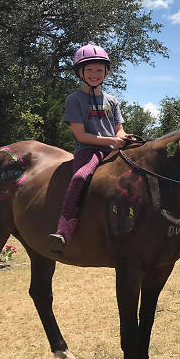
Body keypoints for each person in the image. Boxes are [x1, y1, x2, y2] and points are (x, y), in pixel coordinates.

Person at [48, 44, 131, 255]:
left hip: (113, 150)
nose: (95, 74)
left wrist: (123, 138)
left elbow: (119, 129)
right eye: (90, 70)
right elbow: (80, 135)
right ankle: (63, 230)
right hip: (88, 150)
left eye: (99, 70)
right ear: (80, 72)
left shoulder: (112, 101)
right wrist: (111, 140)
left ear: (106, 73)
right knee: (79, 178)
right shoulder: (74, 99)